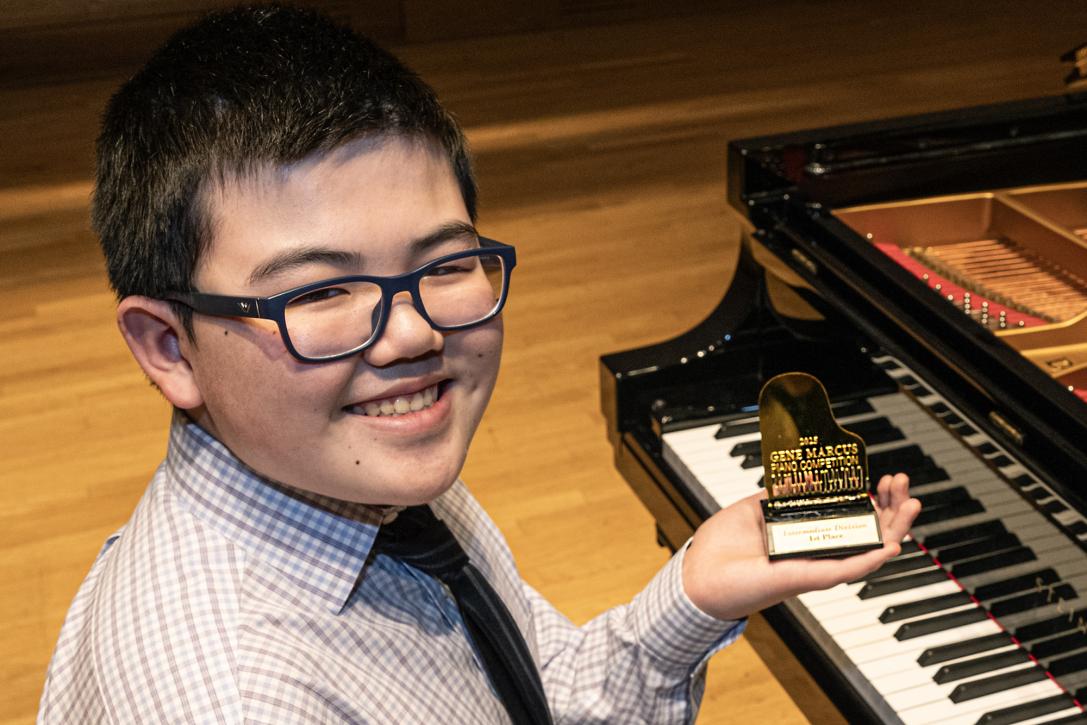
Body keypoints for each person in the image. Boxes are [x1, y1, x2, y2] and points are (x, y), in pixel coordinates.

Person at [38, 6, 920, 722]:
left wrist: (691, 598)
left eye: (446, 264)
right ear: (167, 346)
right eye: (318, 294)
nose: (412, 334)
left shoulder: (357, 476)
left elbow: (526, 690)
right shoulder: (240, 697)